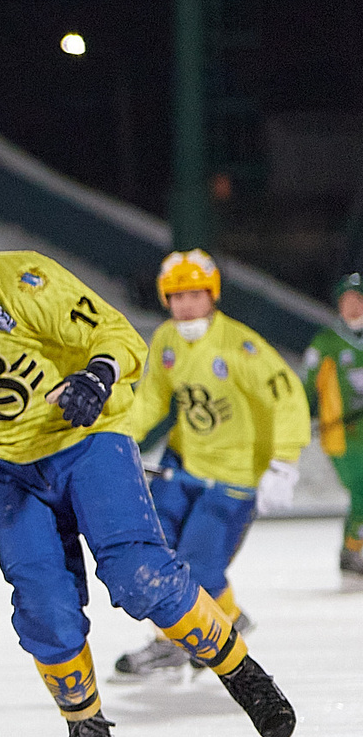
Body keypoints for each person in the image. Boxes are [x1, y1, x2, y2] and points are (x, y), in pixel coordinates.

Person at [0, 176, 296, 737]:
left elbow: (119, 336)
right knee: (43, 606)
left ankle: (242, 671)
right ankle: (85, 721)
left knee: (138, 573)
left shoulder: (22, 279)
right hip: (8, 467)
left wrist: (95, 378)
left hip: (86, 443)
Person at [110, 250, 310, 678]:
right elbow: (151, 398)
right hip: (182, 465)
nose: (185, 305)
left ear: (212, 294)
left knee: (196, 565)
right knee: (154, 548)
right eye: (176, 295)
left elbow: (286, 395)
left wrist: (284, 462)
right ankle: (227, 616)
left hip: (233, 475)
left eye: (194, 294)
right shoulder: (166, 339)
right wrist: (119, 435)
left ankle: (174, 640)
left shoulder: (240, 346)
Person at [303, 272, 363, 589]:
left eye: (358, 299)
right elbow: (306, 387)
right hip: (343, 434)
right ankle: (352, 553)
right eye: (346, 300)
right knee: (362, 490)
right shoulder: (326, 342)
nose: (352, 306)